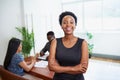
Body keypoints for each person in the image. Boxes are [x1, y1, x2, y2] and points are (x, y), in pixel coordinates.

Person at [48, 11, 89, 80]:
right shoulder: (55, 42)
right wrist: (74, 68)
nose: (68, 25)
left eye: (71, 22)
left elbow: (83, 69)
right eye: (64, 22)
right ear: (61, 26)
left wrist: (59, 68)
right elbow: (51, 67)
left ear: (75, 25)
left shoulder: (83, 43)